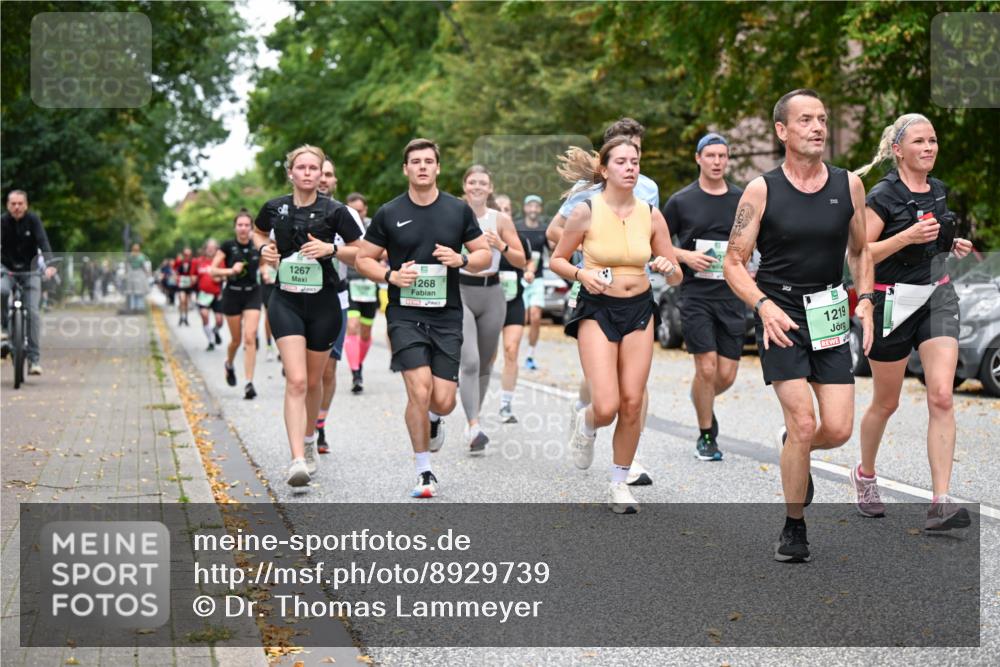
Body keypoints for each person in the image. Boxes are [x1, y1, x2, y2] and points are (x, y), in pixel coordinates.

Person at [722, 89, 874, 563]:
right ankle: (794, 527)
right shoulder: (761, 190)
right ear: (782, 131)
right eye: (806, 120)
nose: (818, 128)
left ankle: (794, 449)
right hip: (781, 314)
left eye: (823, 119)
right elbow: (733, 261)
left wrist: (865, 299)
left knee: (839, 428)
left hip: (828, 308)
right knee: (805, 421)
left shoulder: (848, 184)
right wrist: (763, 305)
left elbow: (861, 250)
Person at [851, 113, 974, 531]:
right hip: (891, 301)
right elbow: (862, 252)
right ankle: (865, 474)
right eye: (919, 141)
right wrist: (905, 238)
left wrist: (950, 244)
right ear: (898, 150)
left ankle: (941, 501)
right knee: (887, 402)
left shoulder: (938, 190)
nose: (929, 147)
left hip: (936, 294)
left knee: (941, 395)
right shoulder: (882, 195)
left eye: (933, 140)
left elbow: (932, 239)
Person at [355, 138, 491, 498]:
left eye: (428, 161)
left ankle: (434, 419)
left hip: (446, 315)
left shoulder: (458, 210)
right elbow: (363, 258)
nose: (422, 167)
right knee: (419, 389)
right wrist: (389, 276)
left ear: (438, 168)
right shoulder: (388, 212)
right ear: (406, 169)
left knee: (442, 399)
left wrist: (461, 260)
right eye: (415, 161)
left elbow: (484, 255)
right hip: (404, 314)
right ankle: (424, 471)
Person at [552, 136, 681, 514]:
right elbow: (559, 258)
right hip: (597, 308)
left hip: (640, 309)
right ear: (605, 170)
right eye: (622, 162)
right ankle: (588, 422)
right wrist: (580, 274)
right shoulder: (585, 211)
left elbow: (675, 277)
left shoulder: (651, 214)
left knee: (633, 401)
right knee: (606, 404)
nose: (630, 167)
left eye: (635, 161)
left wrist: (666, 266)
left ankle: (619, 482)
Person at [253, 145, 363, 489]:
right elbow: (259, 232)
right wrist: (263, 248)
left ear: (320, 174)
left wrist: (332, 249)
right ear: (291, 173)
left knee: (314, 381)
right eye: (300, 167)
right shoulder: (274, 208)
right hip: (285, 301)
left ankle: (311, 438)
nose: (306, 173)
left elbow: (365, 251)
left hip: (324, 303)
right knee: (296, 380)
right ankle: (297, 458)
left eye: (313, 168)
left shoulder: (336, 211)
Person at [663, 133, 745, 461]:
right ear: (698, 158)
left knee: (725, 374)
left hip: (732, 295)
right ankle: (706, 434)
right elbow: (657, 242)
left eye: (722, 156)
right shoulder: (682, 201)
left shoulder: (741, 199)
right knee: (707, 368)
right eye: (710, 155)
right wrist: (685, 257)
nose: (717, 162)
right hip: (695, 295)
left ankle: (701, 398)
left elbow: (754, 238)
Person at [458, 166, 526, 454]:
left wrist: (501, 245)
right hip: (460, 290)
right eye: (471, 182)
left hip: (493, 293)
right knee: (470, 361)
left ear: (490, 187)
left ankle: (475, 414)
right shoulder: (453, 213)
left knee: (485, 363)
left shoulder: (500, 219)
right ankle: (473, 424)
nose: (476, 186)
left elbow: (522, 260)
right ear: (464, 186)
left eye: (482, 182)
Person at [315, 159, 366, 454]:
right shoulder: (292, 211)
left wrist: (333, 250)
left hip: (337, 298)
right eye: (318, 173)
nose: (322, 179)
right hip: (300, 299)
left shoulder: (346, 214)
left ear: (335, 182)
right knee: (306, 374)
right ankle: (304, 431)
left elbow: (363, 253)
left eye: (329, 174)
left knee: (328, 372)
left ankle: (319, 424)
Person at [1, 190, 57, 375]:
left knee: (33, 312)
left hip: (30, 270)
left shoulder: (33, 221)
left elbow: (43, 242)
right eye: (13, 204)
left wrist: (48, 264)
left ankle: (34, 360)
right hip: (7, 270)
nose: (16, 207)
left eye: (20, 204)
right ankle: (3, 329)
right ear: (8, 206)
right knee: (2, 291)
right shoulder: (2, 222)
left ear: (26, 205)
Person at [213, 209, 263, 400]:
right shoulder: (227, 246)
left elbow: (265, 263)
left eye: (246, 225)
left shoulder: (256, 245)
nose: (243, 229)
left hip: (253, 293)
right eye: (240, 225)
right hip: (232, 295)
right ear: (235, 227)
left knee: (249, 336)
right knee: (236, 340)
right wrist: (230, 271)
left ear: (251, 228)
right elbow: (213, 271)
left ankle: (248, 383)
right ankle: (229, 363)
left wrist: (266, 271)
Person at [495, 194, 531, 423]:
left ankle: (506, 404)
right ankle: (475, 400)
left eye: (507, 208)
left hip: (514, 301)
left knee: (511, 350)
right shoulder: (478, 238)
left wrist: (529, 272)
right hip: (487, 302)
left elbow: (527, 263)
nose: (504, 212)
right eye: (499, 209)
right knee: (486, 357)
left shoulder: (520, 239)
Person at [343, 192, 380, 394]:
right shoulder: (341, 226)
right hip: (350, 282)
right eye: (353, 211)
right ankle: (356, 373)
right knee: (352, 326)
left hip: (369, 283)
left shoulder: (374, 226)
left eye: (360, 210)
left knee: (365, 333)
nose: (357, 214)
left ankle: (359, 363)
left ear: (365, 210)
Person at [518, 194, 549, 371]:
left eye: (536, 206)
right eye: (530, 206)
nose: (533, 209)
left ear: (540, 209)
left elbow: (553, 250)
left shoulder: (544, 229)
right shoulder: (517, 227)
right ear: (525, 208)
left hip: (537, 278)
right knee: (521, 318)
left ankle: (530, 354)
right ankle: (515, 350)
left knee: (535, 317)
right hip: (519, 279)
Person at [193, 239, 224, 350]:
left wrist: (219, 277)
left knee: (219, 321)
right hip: (203, 295)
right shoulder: (198, 261)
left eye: (213, 248)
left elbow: (226, 276)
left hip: (217, 294)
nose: (210, 250)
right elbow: (193, 277)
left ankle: (215, 331)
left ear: (216, 250)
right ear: (205, 249)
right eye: (208, 248)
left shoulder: (220, 261)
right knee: (204, 315)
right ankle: (211, 341)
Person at [124, 243, 150, 312]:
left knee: (133, 292)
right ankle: (140, 307)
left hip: (131, 274)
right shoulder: (141, 256)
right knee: (140, 292)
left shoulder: (129, 256)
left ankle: (133, 307)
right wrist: (147, 273)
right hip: (139, 274)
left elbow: (126, 265)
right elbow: (144, 266)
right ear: (139, 249)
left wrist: (126, 273)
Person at [173, 248, 197, 325]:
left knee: (186, 302)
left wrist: (194, 278)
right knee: (182, 300)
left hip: (189, 283)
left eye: (189, 255)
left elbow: (195, 272)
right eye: (186, 254)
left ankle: (185, 318)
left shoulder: (193, 262)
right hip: (181, 282)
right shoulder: (179, 261)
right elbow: (174, 269)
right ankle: (181, 316)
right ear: (183, 254)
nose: (187, 256)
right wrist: (176, 276)